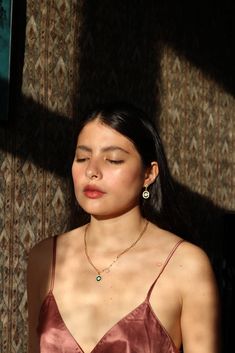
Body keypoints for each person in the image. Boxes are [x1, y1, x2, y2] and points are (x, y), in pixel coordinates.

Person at [27, 102, 220, 353]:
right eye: (82, 158)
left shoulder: (186, 266)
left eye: (113, 160)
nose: (92, 171)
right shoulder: (44, 258)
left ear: (149, 174)